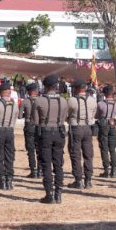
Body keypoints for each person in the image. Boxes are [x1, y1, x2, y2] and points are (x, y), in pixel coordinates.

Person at [33, 75, 69, 204]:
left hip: (45, 133)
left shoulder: (39, 101)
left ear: (46, 86)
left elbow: (35, 121)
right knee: (58, 164)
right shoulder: (64, 101)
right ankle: (59, 193)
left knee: (46, 164)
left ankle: (49, 194)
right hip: (59, 132)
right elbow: (65, 118)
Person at [66, 80, 96, 189]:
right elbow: (93, 114)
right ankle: (88, 180)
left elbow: (66, 114)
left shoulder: (71, 100)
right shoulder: (92, 100)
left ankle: (78, 180)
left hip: (76, 128)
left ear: (77, 89)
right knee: (88, 154)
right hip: (88, 128)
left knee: (75, 154)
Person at [95, 85, 116, 178]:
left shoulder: (101, 104)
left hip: (103, 125)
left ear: (104, 94)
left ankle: (106, 170)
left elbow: (96, 116)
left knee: (104, 147)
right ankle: (114, 170)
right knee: (112, 148)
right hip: (112, 124)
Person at [21, 82, 41, 179]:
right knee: (40, 149)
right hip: (39, 125)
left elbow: (20, 115)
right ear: (36, 91)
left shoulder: (25, 101)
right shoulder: (41, 100)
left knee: (30, 149)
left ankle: (33, 171)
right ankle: (40, 170)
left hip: (29, 125)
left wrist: (26, 114)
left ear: (29, 92)